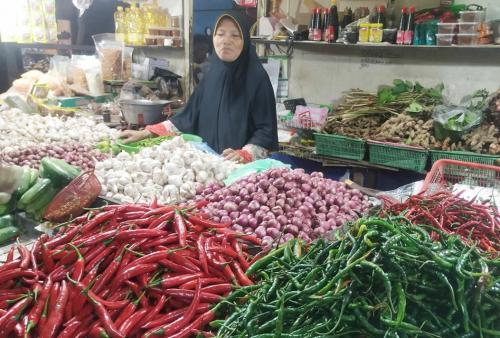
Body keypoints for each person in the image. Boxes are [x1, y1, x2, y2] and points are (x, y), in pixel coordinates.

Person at [119, 12, 279, 163]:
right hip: (208, 168)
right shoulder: (212, 75)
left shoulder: (257, 80)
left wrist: (245, 154)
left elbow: (265, 132)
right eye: (220, 34)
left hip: (243, 177)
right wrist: (147, 133)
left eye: (235, 35)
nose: (226, 41)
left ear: (245, 41)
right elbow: (187, 117)